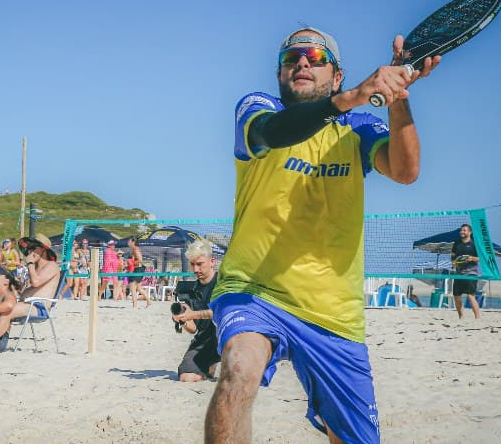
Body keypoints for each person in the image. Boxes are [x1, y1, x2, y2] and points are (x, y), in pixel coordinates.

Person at [205, 27, 440, 443]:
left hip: (333, 312)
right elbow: (277, 133)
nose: (302, 63)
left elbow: (405, 171)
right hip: (253, 290)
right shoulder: (257, 109)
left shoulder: (359, 126)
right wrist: (354, 95)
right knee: (239, 367)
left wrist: (398, 97)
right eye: (292, 57)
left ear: (337, 74)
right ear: (279, 73)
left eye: (315, 56)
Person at [0, 233, 60, 353]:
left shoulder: (52, 266)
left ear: (42, 250)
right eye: (29, 248)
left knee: (7, 311)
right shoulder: (36, 268)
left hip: (39, 306)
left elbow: (36, 282)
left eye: (33, 248)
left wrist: (30, 263)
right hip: (27, 303)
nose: (30, 251)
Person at [172, 239, 219, 382]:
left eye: (199, 264)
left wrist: (193, 314)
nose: (195, 269)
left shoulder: (224, 284)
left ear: (212, 261)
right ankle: (210, 363)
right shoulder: (190, 290)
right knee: (186, 377)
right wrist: (183, 319)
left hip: (231, 337)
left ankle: (212, 362)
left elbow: (222, 313)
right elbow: (193, 329)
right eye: (192, 264)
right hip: (205, 339)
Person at [451, 224, 481, 319]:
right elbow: (453, 257)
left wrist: (472, 258)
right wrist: (454, 262)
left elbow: (480, 259)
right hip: (459, 274)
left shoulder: (474, 244)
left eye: (464, 230)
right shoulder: (456, 244)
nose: (462, 232)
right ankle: (461, 317)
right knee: (456, 296)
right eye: (461, 230)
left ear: (470, 232)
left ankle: (477, 317)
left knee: (470, 296)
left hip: (471, 273)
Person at [127, 238, 152, 308]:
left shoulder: (135, 249)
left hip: (139, 269)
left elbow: (140, 260)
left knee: (132, 286)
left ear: (133, 242)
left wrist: (132, 263)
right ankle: (149, 301)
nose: (127, 242)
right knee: (139, 288)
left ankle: (135, 306)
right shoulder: (134, 249)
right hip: (138, 269)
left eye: (129, 241)